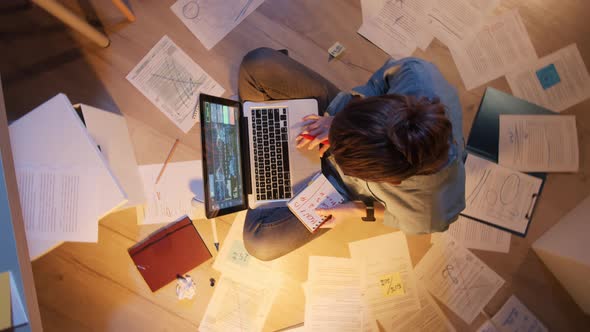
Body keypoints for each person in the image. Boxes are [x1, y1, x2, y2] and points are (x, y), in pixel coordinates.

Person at [239, 47, 465, 261]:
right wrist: (335, 122)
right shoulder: (415, 74)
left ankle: (263, 145)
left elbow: (394, 215)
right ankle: (267, 145)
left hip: (341, 186)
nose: (330, 151)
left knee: (259, 243)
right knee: (256, 64)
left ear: (391, 181)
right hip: (339, 118)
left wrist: (356, 210)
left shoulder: (429, 211)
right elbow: (375, 87)